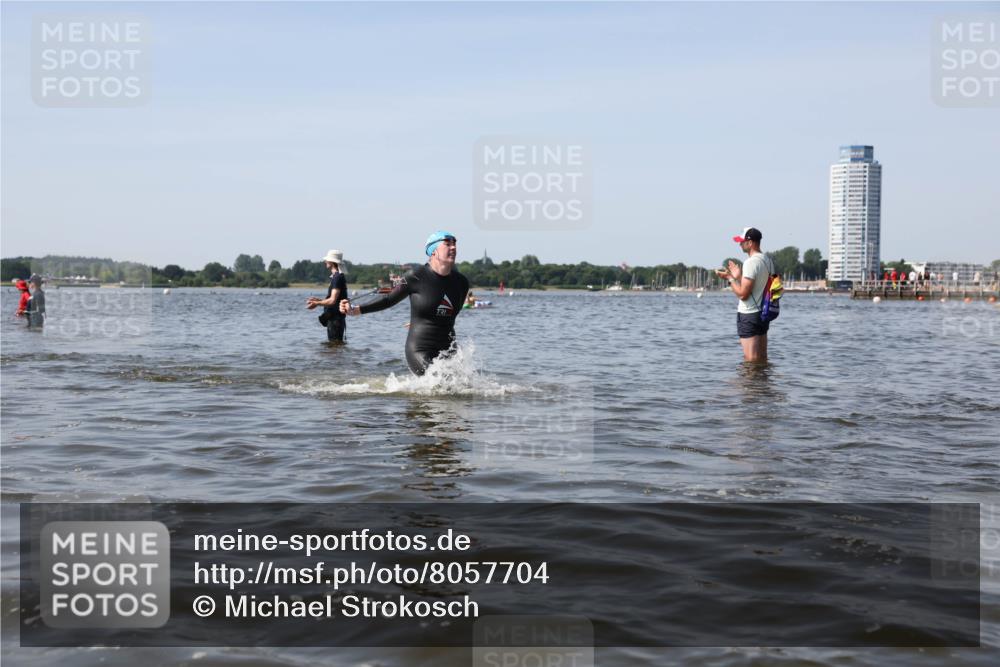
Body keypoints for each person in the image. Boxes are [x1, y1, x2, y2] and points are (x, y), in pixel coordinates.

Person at [341, 231, 469, 375]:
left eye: (454, 244)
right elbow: (388, 299)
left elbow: (453, 313)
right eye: (447, 244)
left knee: (461, 387)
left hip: (448, 348)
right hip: (420, 348)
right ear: (433, 251)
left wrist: (424, 318)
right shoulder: (414, 276)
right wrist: (356, 309)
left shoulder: (461, 282)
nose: (453, 248)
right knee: (438, 382)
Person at [715, 227, 774, 363]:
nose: (739, 244)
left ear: (750, 243)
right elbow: (757, 286)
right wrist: (739, 276)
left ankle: (750, 385)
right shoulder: (768, 261)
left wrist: (730, 279)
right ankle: (763, 384)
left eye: (742, 241)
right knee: (762, 359)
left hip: (749, 315)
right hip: (763, 314)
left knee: (751, 361)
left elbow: (743, 294)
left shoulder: (750, 262)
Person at [307, 250, 348, 342]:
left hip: (335, 320)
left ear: (332, 262)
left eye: (327, 260)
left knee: (334, 349)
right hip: (335, 319)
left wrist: (317, 303)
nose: (325, 261)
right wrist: (319, 300)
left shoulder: (337, 278)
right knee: (335, 348)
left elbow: (332, 300)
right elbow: (334, 300)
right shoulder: (337, 277)